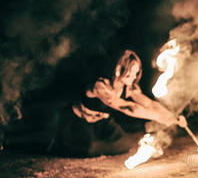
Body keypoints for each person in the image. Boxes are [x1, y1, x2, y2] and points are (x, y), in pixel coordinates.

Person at [49, 50, 186, 156]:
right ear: (118, 69)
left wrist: (172, 117)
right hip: (79, 122)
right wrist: (161, 118)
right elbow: (128, 108)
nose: (133, 77)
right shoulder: (100, 86)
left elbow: (150, 104)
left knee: (126, 145)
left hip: (103, 123)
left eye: (136, 73)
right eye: (130, 72)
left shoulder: (130, 87)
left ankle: (100, 146)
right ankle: (64, 143)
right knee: (90, 149)